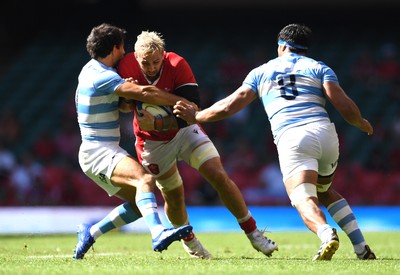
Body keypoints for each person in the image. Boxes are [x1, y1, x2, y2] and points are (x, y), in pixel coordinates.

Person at [174, 23, 376, 261]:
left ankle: (325, 233)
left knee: (302, 196)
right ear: (305, 49)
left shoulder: (262, 71)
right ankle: (361, 247)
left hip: (293, 136)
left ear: (281, 46)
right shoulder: (319, 67)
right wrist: (361, 122)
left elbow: (230, 105)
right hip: (326, 133)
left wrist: (197, 116)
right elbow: (342, 103)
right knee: (324, 190)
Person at [115, 30, 278, 259]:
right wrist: (126, 99)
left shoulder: (178, 64)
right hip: (150, 143)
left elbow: (193, 112)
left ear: (163, 54)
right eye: (145, 63)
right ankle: (190, 242)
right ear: (136, 57)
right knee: (174, 195)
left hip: (184, 131)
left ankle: (253, 232)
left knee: (218, 174)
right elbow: (121, 107)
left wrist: (159, 122)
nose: (151, 68)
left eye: (155, 62)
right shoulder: (126, 67)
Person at [73, 23, 193, 259]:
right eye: (123, 47)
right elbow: (146, 94)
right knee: (145, 180)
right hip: (98, 151)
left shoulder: (91, 70)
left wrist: (128, 93)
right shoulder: (102, 75)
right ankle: (158, 232)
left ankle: (91, 232)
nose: (125, 53)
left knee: (141, 203)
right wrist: (184, 101)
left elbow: (126, 105)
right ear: (116, 47)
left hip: (95, 150)